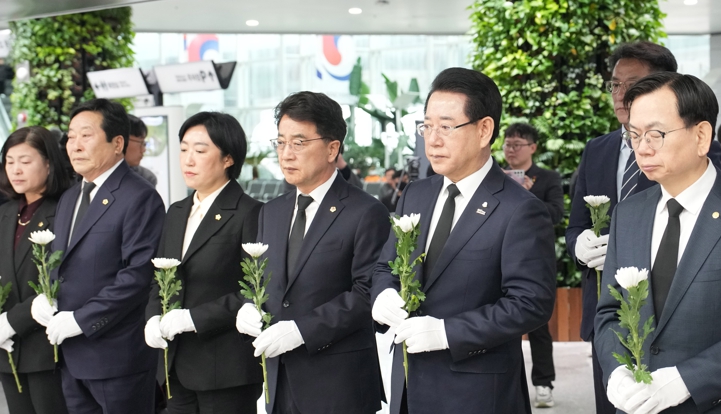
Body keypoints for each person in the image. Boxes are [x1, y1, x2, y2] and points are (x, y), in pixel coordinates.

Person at [371, 67, 556, 414]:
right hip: (409, 387)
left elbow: (531, 303)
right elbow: (386, 266)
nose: (432, 140)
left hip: (477, 394)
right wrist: (382, 294)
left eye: (446, 127)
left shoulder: (520, 209)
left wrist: (447, 332)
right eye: (427, 126)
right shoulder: (416, 194)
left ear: (484, 130)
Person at [235, 91, 389, 414]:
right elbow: (264, 280)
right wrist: (250, 305)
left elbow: (367, 294)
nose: (286, 154)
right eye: (280, 142)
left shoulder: (365, 211)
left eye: (299, 143)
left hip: (337, 385)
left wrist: (302, 331)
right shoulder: (271, 212)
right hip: (280, 379)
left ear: (332, 149)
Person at [565, 41, 696, 414]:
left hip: (671, 316)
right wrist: (579, 246)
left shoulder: (697, 152)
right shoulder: (597, 150)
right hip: (606, 317)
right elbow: (574, 226)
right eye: (615, 84)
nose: (621, 94)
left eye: (633, 84)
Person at [596, 72, 721, 414]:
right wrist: (616, 371)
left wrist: (687, 380)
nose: (642, 148)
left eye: (656, 134)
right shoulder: (629, 213)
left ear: (701, 135)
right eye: (634, 135)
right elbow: (609, 311)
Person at [31, 99, 165, 413]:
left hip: (117, 358)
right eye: (71, 136)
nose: (75, 145)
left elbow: (137, 276)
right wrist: (45, 296)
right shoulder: (70, 197)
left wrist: (81, 320)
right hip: (70, 355)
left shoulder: (140, 196)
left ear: (117, 143)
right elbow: (61, 263)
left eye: (86, 135)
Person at [144, 112, 263, 413]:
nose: (188, 160)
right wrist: (152, 317)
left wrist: (193, 318)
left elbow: (255, 290)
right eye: (184, 149)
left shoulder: (250, 213)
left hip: (224, 369)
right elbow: (159, 276)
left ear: (228, 158)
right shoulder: (176, 211)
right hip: (175, 364)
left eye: (200, 150)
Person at [0, 127, 71, 414]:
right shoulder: (6, 212)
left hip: (46, 348)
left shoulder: (64, 211)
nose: (15, 170)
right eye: (9, 161)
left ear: (49, 164)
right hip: (8, 349)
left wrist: (11, 321)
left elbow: (60, 279)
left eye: (25, 161)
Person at [502, 122, 563, 407]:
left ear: (533, 148)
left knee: (538, 325)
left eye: (517, 145)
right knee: (501, 324)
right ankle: (508, 384)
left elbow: (556, 214)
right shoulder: (495, 176)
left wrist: (528, 194)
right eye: (507, 144)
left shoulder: (548, 178)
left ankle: (543, 383)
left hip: (536, 259)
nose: (511, 150)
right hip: (501, 257)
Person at [127, 115, 158, 187]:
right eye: (141, 143)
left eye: (144, 143)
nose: (144, 150)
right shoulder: (102, 173)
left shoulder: (146, 178)